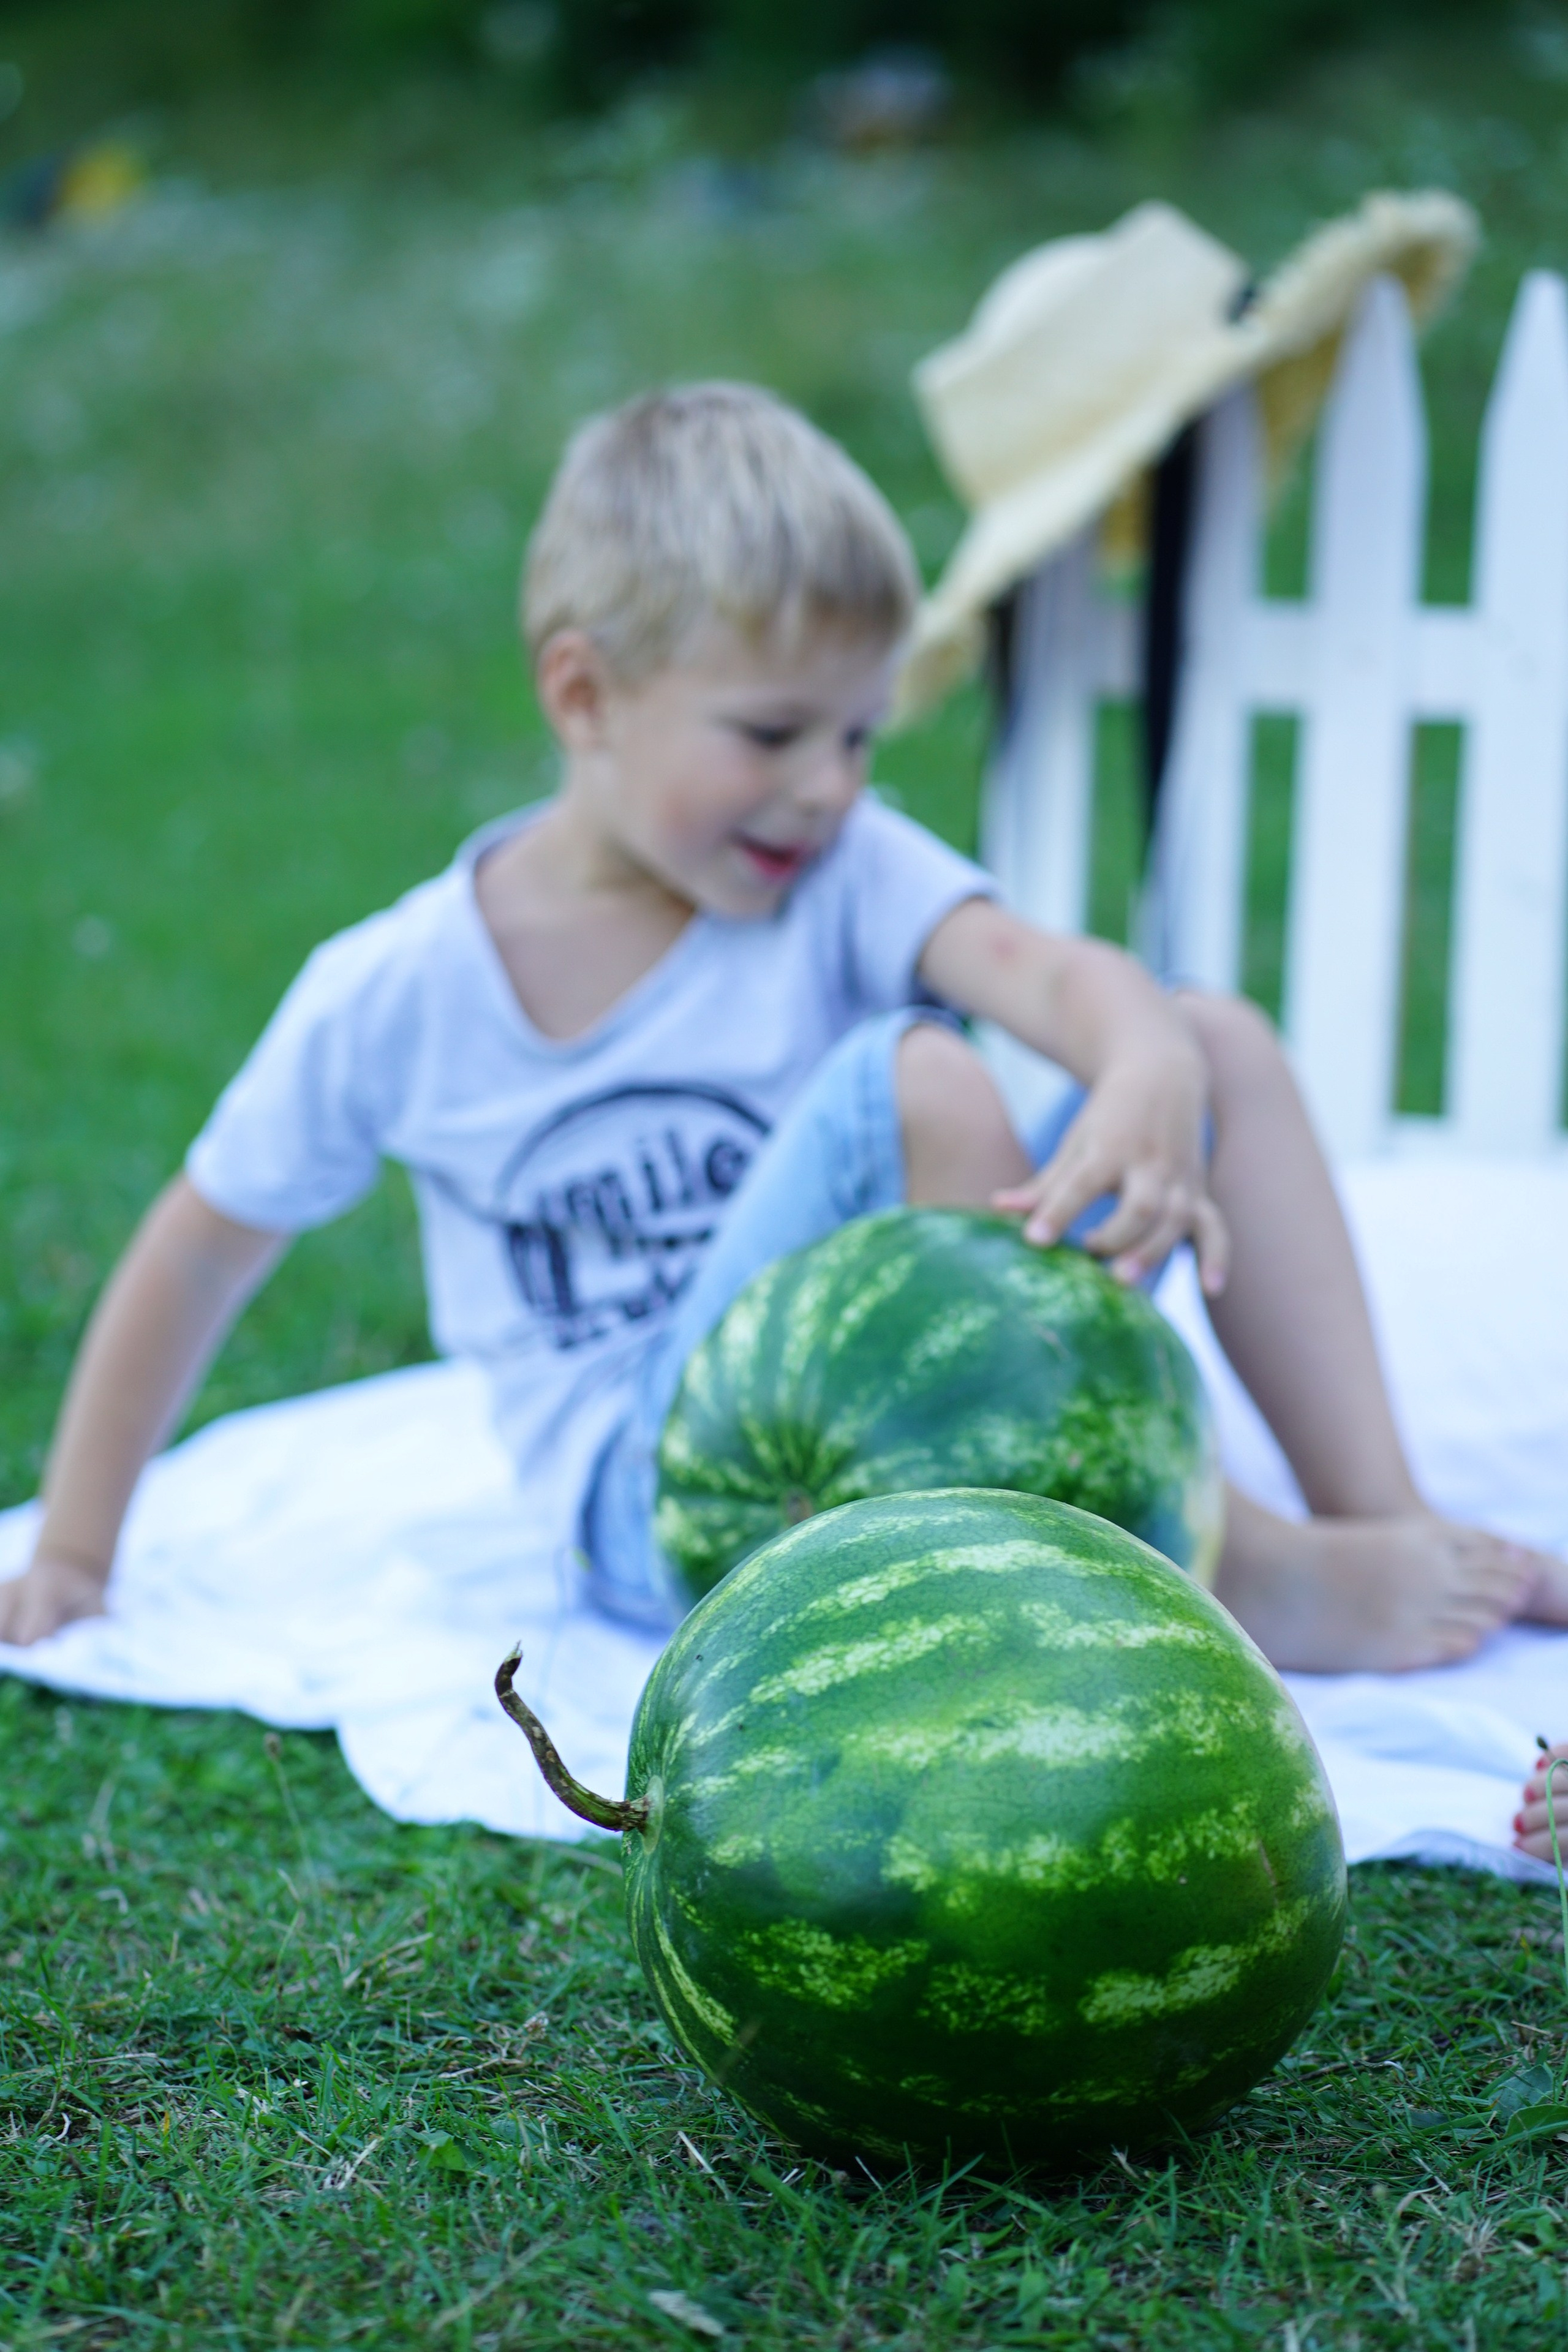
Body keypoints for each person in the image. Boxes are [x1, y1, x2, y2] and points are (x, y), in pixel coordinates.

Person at [3, 383, 1566, 1792]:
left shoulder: (843, 872)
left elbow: (1046, 972)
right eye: (769, 733)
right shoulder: (403, 990)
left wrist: (1145, 1054)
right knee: (908, 1080)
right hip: (672, 1499)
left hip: (897, 1421)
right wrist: (78, 1547)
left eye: (859, 735)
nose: (824, 787)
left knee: (1211, 1033)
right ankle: (1228, 1560)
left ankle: (1389, 1525)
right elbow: (205, 1241)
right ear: (582, 695)